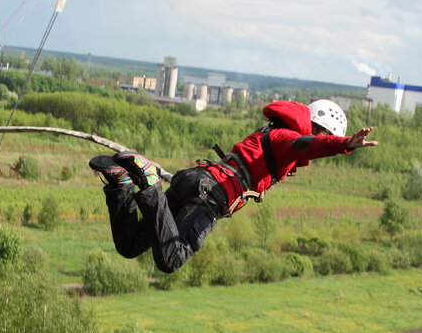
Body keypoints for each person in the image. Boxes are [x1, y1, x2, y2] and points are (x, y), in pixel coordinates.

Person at [88, 98, 379, 273]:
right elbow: (306, 145)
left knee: (130, 245)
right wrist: (343, 145)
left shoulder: (272, 133)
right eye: (322, 135)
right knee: (171, 259)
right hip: (210, 195)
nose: (318, 145)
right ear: (316, 129)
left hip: (194, 182)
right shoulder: (285, 139)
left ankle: (121, 186)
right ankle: (149, 186)